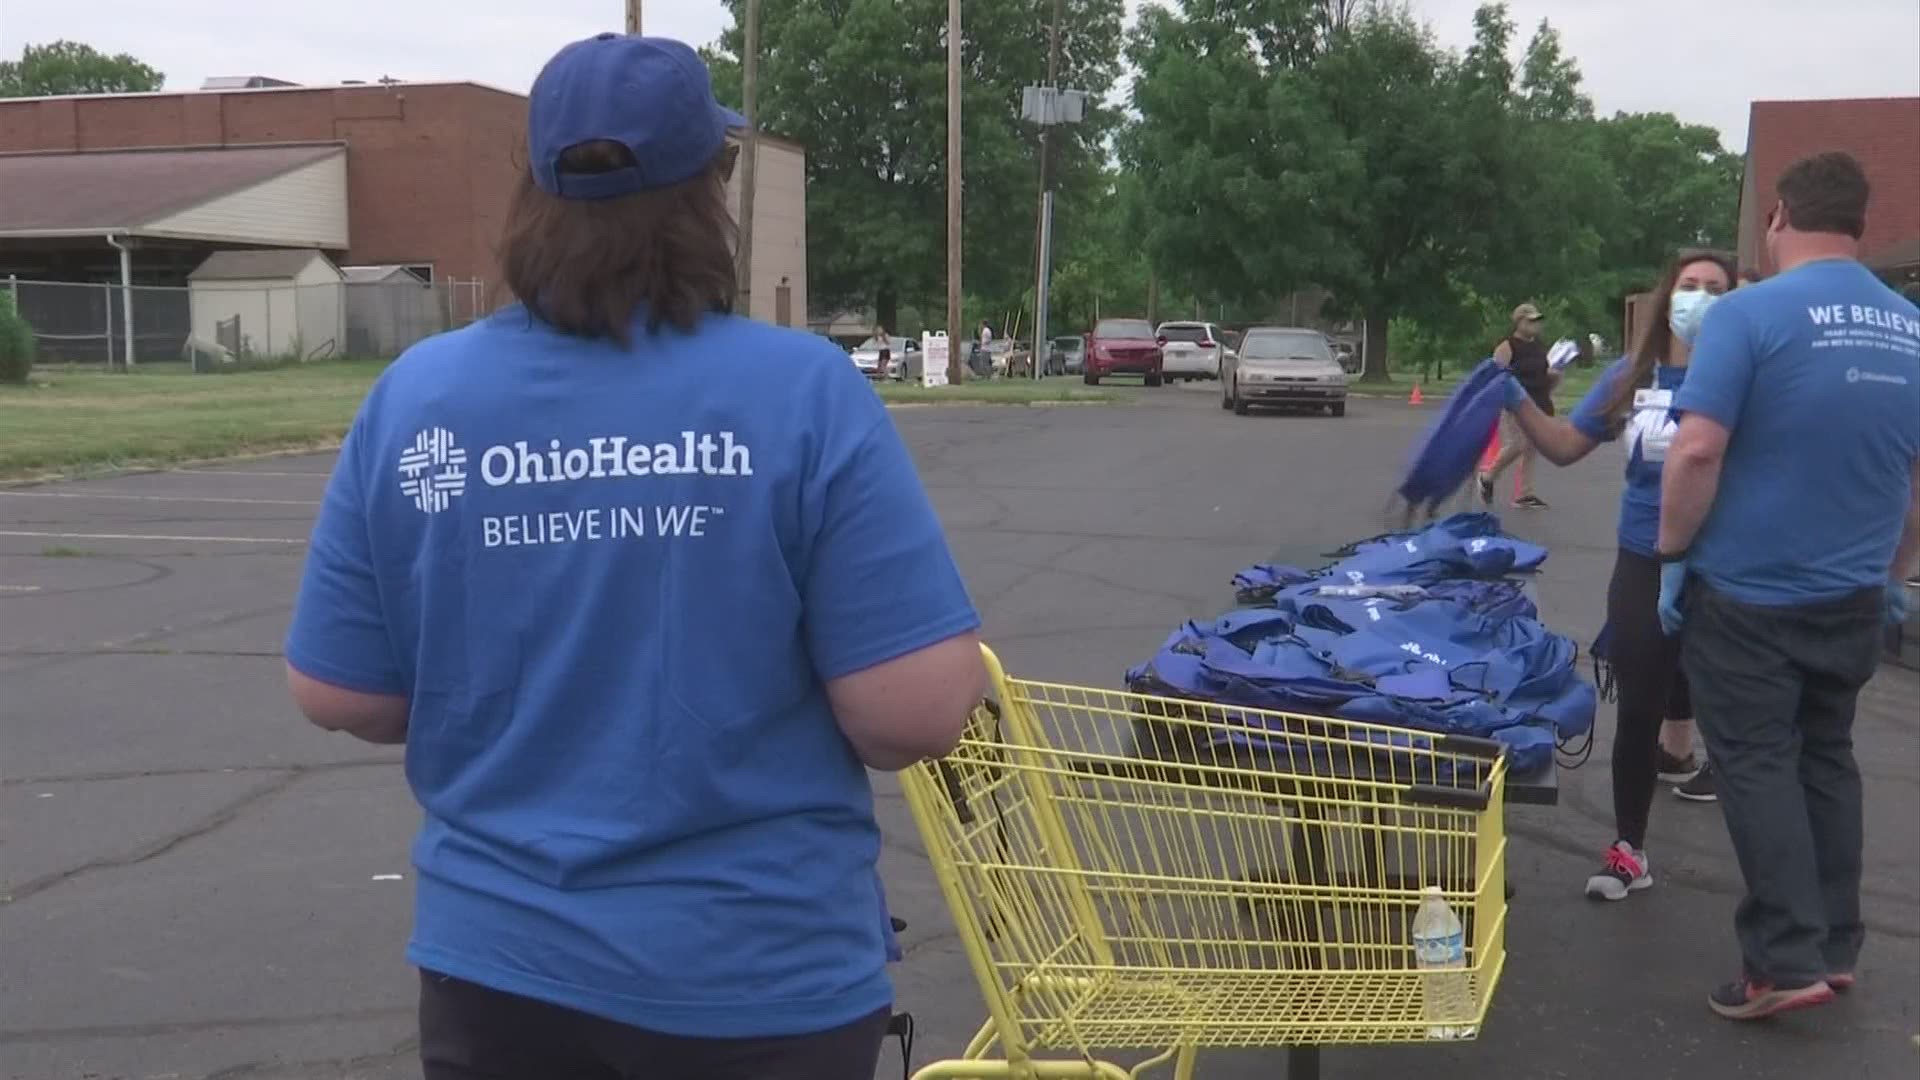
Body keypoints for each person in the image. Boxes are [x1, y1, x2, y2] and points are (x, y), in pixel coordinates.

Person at [282, 33, 987, 1079]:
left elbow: (340, 691)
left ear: (532, 193)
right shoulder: (800, 392)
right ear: (713, 188)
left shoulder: (419, 398)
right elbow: (913, 711)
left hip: (499, 977)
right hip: (755, 978)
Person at [1655, 150, 1920, 1021]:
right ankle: (1834, 946)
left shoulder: (1746, 314)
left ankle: (1781, 958)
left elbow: (1696, 448)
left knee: (1758, 764)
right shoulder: (1909, 328)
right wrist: (1893, 571)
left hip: (1750, 597)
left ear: (1776, 218)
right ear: (1861, 225)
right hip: (1850, 597)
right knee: (1828, 759)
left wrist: (1671, 548)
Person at [1491, 251, 1733, 901]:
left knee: (1742, 714)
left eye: (1716, 288)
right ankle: (1629, 848)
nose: (1700, 298)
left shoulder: (1748, 375)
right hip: (1645, 562)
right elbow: (1567, 446)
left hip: (1727, 568)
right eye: (1689, 286)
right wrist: (1513, 395)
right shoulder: (1634, 377)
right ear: (1668, 296)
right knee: (1640, 703)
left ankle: (1767, 869)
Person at [1480, 303, 1555, 509]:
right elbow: (1496, 375)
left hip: (1538, 402)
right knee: (1517, 444)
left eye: (1538, 321)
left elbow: (1544, 373)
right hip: (1515, 403)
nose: (1536, 325)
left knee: (1531, 448)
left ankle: (1525, 493)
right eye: (1531, 321)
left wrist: (1554, 377)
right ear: (1519, 322)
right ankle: (1487, 477)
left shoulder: (1539, 346)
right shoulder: (1507, 346)